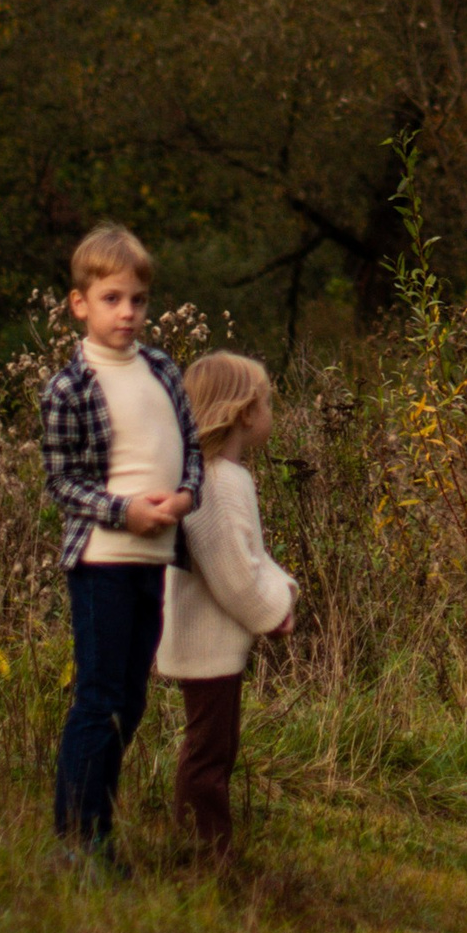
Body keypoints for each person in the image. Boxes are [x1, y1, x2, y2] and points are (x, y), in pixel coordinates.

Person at [38, 224, 205, 861]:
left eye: (137, 299)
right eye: (112, 299)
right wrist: (123, 511)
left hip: (154, 562)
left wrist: (186, 497)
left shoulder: (162, 367)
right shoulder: (69, 389)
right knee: (100, 698)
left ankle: (97, 827)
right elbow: (63, 483)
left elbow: (190, 449)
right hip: (103, 562)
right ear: (80, 303)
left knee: (130, 700)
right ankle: (78, 843)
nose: (128, 312)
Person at [161, 351, 298, 853]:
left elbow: (250, 558)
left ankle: (195, 838)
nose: (271, 411)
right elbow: (235, 575)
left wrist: (279, 588)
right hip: (207, 642)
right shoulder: (217, 484)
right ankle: (206, 850)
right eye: (266, 402)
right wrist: (274, 611)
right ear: (244, 413)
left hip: (207, 639)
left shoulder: (214, 478)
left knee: (210, 745)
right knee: (209, 753)